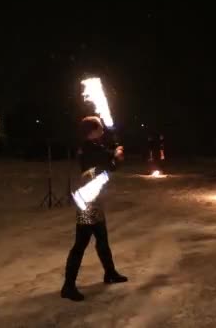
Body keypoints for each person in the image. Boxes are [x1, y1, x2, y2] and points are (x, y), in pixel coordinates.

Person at [61, 116, 128, 302]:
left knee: (102, 239)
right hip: (88, 202)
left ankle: (110, 273)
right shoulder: (90, 149)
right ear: (91, 131)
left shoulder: (92, 147)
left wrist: (115, 154)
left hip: (94, 200)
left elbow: (108, 161)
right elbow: (111, 165)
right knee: (80, 244)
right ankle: (68, 286)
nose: (103, 130)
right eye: (99, 128)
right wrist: (117, 154)